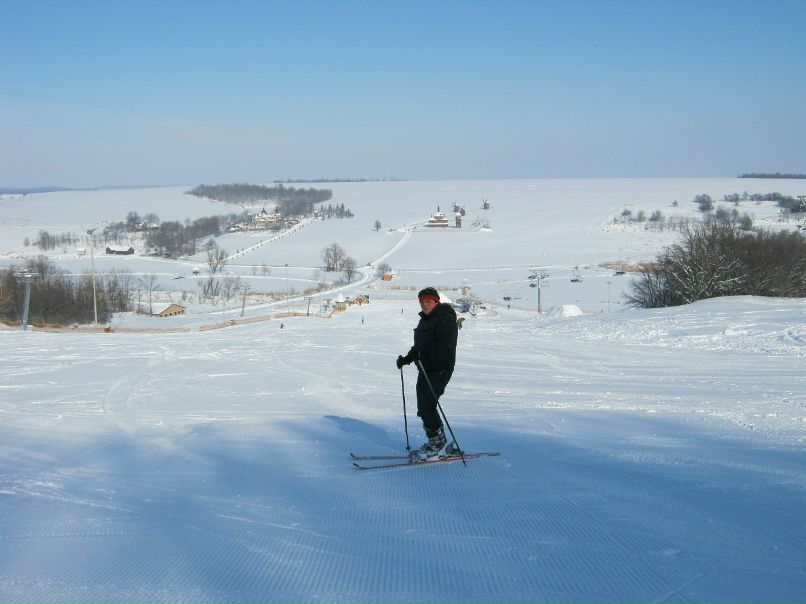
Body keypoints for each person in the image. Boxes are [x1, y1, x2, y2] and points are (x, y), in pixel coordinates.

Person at [396, 287, 459, 457]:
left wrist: (421, 353)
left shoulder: (445, 317)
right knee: (423, 406)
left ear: (436, 301)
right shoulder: (424, 320)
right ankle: (439, 442)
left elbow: (444, 344)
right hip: (425, 368)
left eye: (428, 301)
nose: (424, 304)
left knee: (427, 406)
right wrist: (407, 359)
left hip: (440, 367)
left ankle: (438, 444)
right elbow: (419, 347)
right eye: (422, 301)